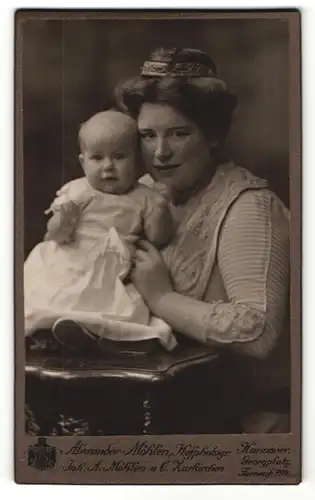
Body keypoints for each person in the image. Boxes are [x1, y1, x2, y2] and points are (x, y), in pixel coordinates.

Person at [115, 47, 290, 432]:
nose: (160, 153)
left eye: (179, 133)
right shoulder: (141, 193)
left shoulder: (247, 205)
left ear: (212, 133)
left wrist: (162, 298)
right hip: (148, 403)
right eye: (148, 135)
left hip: (241, 419)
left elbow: (258, 331)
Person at [24, 109, 177, 351]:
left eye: (119, 157)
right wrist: (63, 221)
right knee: (54, 293)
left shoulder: (144, 197)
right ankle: (49, 332)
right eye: (97, 158)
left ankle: (99, 336)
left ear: (137, 162)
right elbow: (55, 234)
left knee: (120, 308)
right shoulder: (78, 192)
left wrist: (160, 212)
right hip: (71, 259)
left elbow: (158, 238)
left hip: (113, 269)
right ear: (83, 162)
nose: (108, 167)